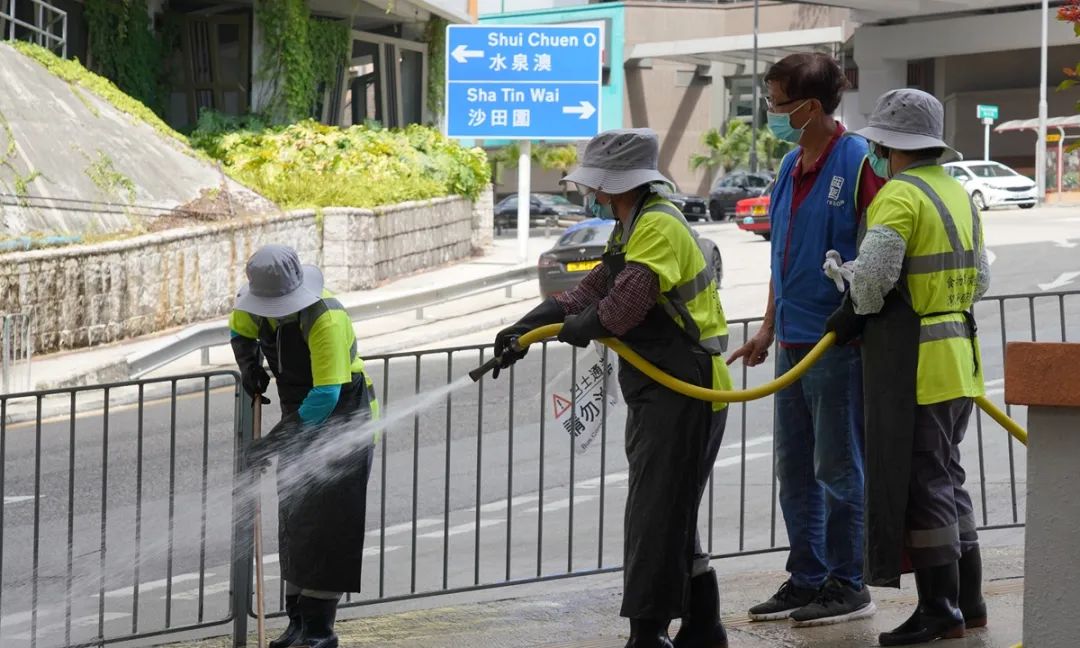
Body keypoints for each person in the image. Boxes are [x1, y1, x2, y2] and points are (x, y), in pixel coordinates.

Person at [491, 129, 733, 648]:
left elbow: (620, 308)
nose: (590, 193)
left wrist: (575, 328)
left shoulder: (657, 226)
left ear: (611, 183)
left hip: (688, 387)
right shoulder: (631, 225)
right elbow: (592, 289)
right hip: (661, 386)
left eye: (594, 184)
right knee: (669, 508)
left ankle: (648, 634)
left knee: (657, 510)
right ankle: (703, 627)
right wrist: (524, 327)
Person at [826, 88, 990, 646]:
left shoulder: (898, 196)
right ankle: (970, 601)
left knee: (925, 487)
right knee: (947, 479)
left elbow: (872, 281)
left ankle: (939, 609)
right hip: (959, 360)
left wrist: (850, 310)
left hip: (917, 364)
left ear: (886, 145)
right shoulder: (960, 194)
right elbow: (982, 279)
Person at [728, 52, 883, 626]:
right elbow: (782, 258)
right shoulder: (791, 166)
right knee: (794, 469)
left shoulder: (860, 161)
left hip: (837, 347)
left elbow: (878, 257)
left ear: (809, 106)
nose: (769, 112)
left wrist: (855, 322)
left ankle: (849, 582)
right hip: (792, 342)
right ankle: (807, 576)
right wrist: (767, 327)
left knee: (838, 468)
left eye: (774, 101)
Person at [230, 244, 379, 648]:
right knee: (297, 522)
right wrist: (249, 366)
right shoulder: (253, 307)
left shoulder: (325, 318)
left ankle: (318, 631)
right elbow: (238, 330)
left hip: (342, 422)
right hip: (299, 416)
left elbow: (325, 396)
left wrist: (273, 444)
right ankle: (297, 625)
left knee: (330, 528)